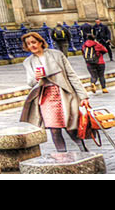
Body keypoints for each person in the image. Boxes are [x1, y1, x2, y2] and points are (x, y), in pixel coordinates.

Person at [20, 30, 90, 158]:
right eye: (28, 44)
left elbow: (71, 75)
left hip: (63, 93)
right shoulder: (28, 62)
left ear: (41, 42)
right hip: (46, 97)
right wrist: (36, 77)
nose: (32, 46)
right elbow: (30, 82)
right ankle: (62, 157)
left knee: (70, 127)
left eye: (34, 42)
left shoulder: (57, 55)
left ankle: (84, 151)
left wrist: (83, 96)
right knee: (54, 129)